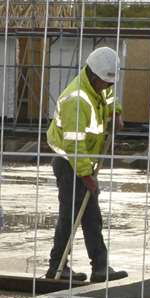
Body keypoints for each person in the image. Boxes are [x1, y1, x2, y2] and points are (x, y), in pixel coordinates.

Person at [44, 46, 124, 280]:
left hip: (84, 159)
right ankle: (56, 267)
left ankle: (100, 267)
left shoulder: (98, 87)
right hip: (69, 162)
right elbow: (74, 145)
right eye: (104, 82)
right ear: (92, 75)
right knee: (70, 216)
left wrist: (115, 113)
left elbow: (108, 97)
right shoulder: (76, 100)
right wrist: (86, 176)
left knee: (91, 216)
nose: (108, 86)